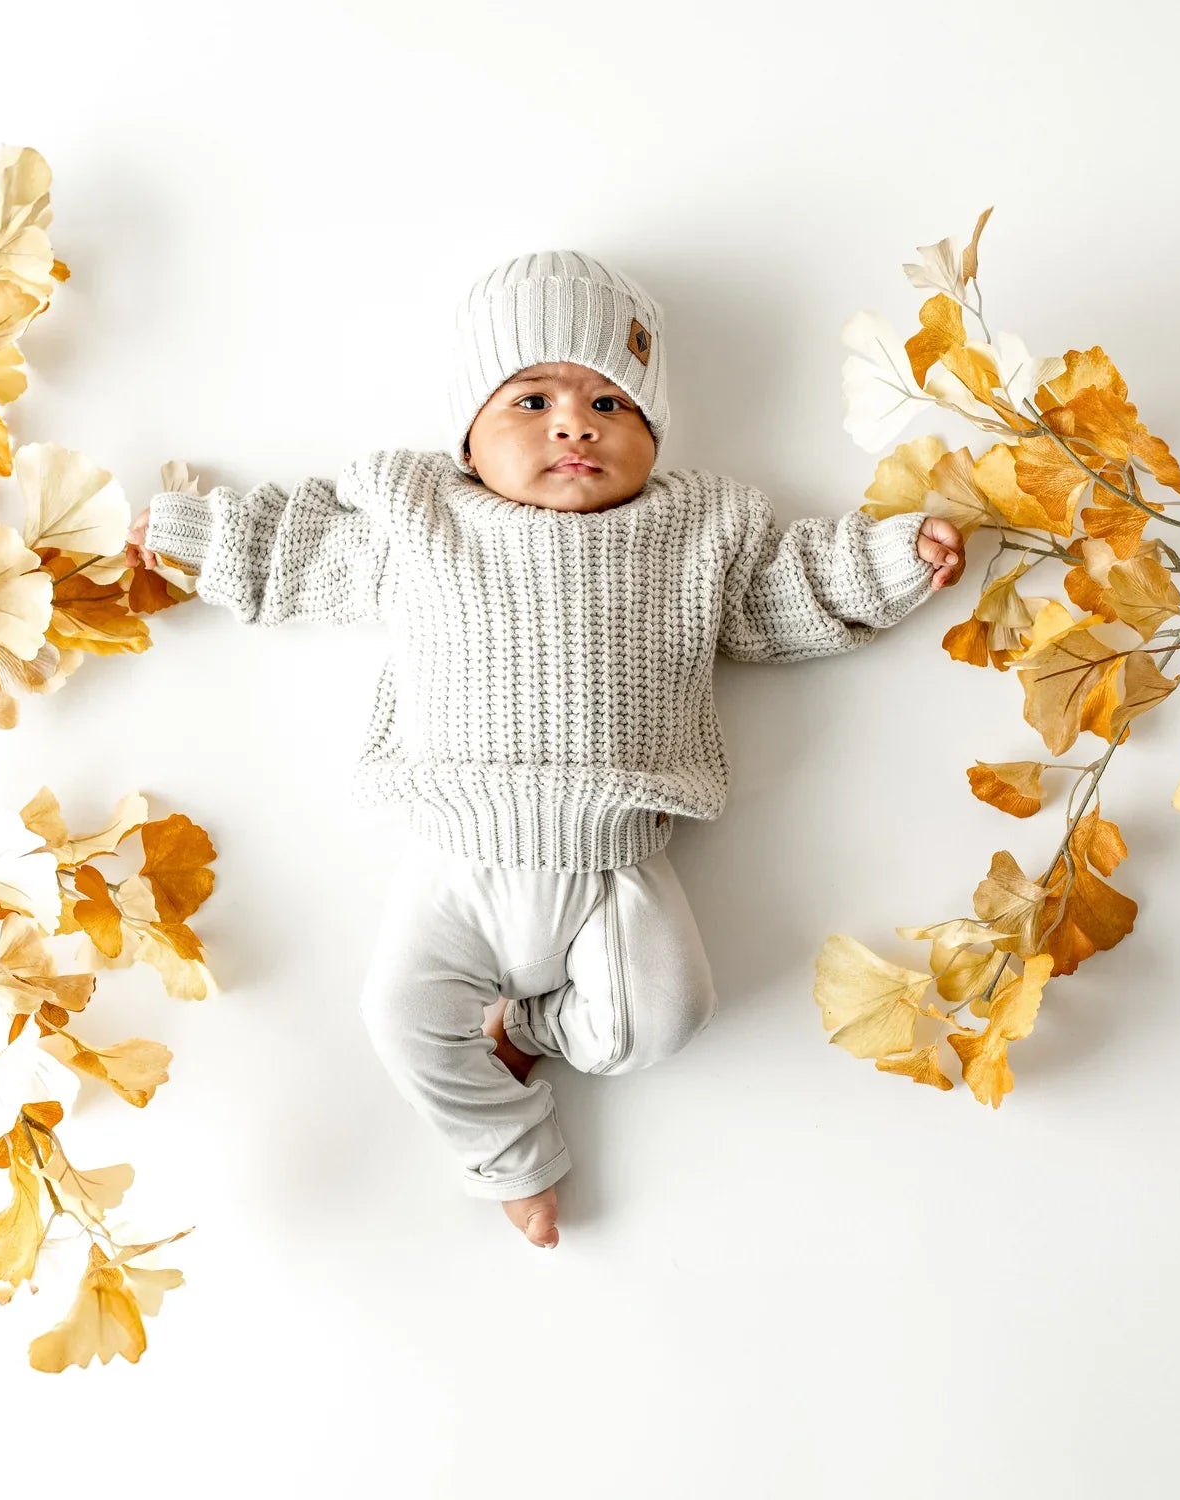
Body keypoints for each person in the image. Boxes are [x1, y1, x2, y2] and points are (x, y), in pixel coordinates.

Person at [127, 250, 966, 1249]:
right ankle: (511, 1158)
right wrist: (192, 536)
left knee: (666, 1018)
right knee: (397, 1019)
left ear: (653, 435)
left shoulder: (694, 532)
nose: (574, 422)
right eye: (531, 399)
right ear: (468, 440)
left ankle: (523, 1034)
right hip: (455, 861)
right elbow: (296, 545)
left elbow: (783, 593)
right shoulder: (418, 517)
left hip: (615, 863)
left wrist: (888, 561)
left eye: (611, 404)